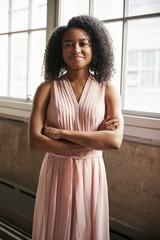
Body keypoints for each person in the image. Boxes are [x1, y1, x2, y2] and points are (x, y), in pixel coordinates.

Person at [28, 15, 124, 240]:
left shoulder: (107, 90)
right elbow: (35, 142)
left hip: (91, 173)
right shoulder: (46, 89)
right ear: (59, 51)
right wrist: (93, 138)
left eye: (83, 43)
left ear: (95, 48)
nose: (76, 49)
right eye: (68, 44)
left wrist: (62, 134)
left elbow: (114, 141)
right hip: (56, 173)